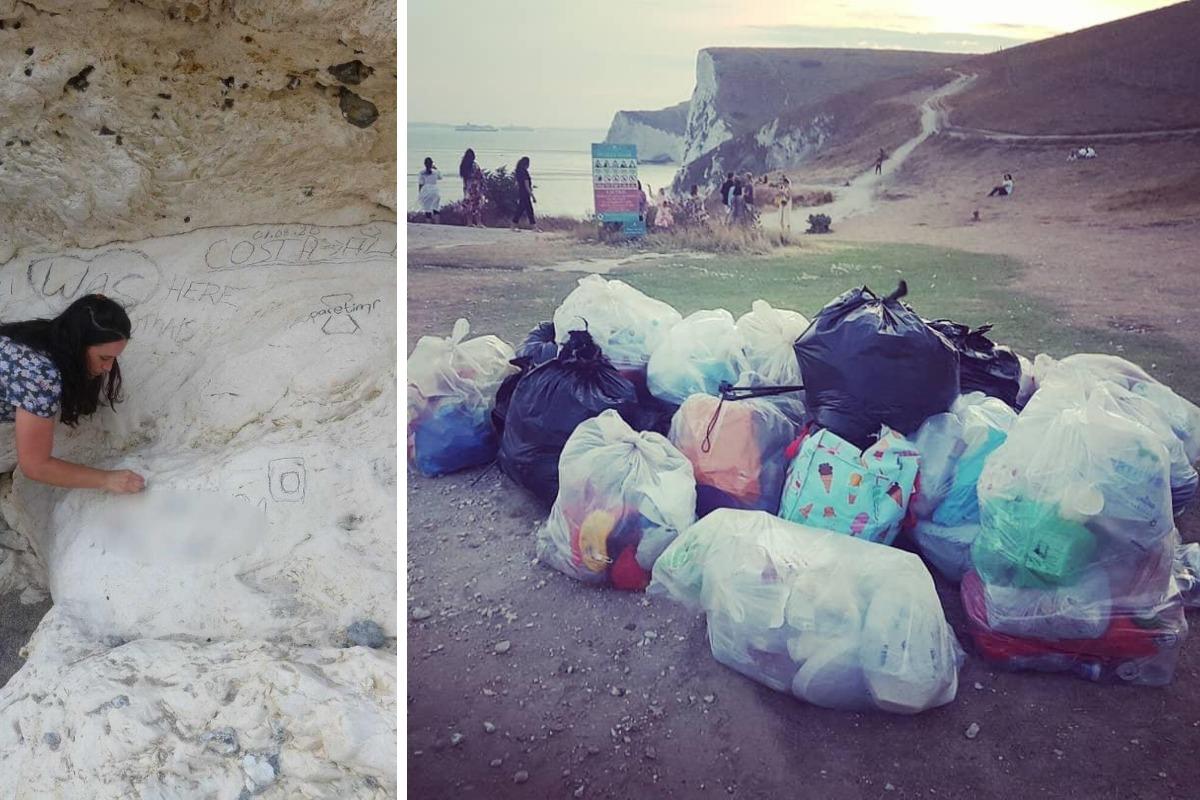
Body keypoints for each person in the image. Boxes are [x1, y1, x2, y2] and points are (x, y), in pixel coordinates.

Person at [0, 295, 144, 494]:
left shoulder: (46, 335)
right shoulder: (41, 375)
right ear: (77, 344)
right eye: (104, 358)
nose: (109, 368)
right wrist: (107, 479)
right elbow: (35, 465)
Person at [458, 148, 485, 227]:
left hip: (467, 186)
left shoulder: (463, 165)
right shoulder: (474, 165)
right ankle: (479, 222)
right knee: (476, 204)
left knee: (468, 205)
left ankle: (469, 222)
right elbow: (479, 176)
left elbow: (464, 177)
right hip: (475, 186)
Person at [511, 156, 537, 229]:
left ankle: (514, 225)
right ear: (526, 164)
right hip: (525, 193)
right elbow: (527, 186)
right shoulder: (525, 173)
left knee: (522, 209)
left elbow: (517, 184)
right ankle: (534, 226)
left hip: (521, 192)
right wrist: (532, 196)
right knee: (528, 210)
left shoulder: (519, 171)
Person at [418, 157, 441, 223]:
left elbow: (421, 184)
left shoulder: (421, 172)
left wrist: (420, 193)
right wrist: (435, 168)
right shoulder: (436, 172)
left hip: (426, 190)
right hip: (435, 190)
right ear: (432, 164)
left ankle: (429, 224)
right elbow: (440, 177)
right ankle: (437, 224)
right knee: (436, 208)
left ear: (425, 164)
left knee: (427, 209)